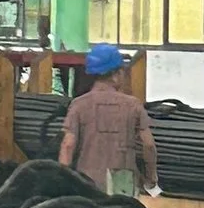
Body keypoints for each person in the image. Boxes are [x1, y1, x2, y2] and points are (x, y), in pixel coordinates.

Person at [59, 40, 159, 194]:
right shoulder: (133, 105)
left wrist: (64, 183)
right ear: (116, 74)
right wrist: (151, 179)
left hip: (86, 186)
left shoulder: (79, 105)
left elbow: (68, 145)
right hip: (124, 186)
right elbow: (148, 145)